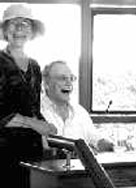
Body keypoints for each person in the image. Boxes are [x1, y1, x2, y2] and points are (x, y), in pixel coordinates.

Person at [0, 3, 57, 188]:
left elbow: (34, 108)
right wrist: (35, 124)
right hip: (3, 151)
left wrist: (47, 132)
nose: (19, 29)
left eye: (25, 23)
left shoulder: (35, 66)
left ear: (32, 32)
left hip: (31, 150)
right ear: (4, 30)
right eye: (13, 23)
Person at [41, 60, 114, 153]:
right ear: (46, 84)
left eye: (71, 78)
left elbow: (95, 138)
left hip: (80, 167)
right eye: (62, 78)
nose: (69, 83)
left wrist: (109, 145)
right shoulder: (34, 112)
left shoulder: (80, 112)